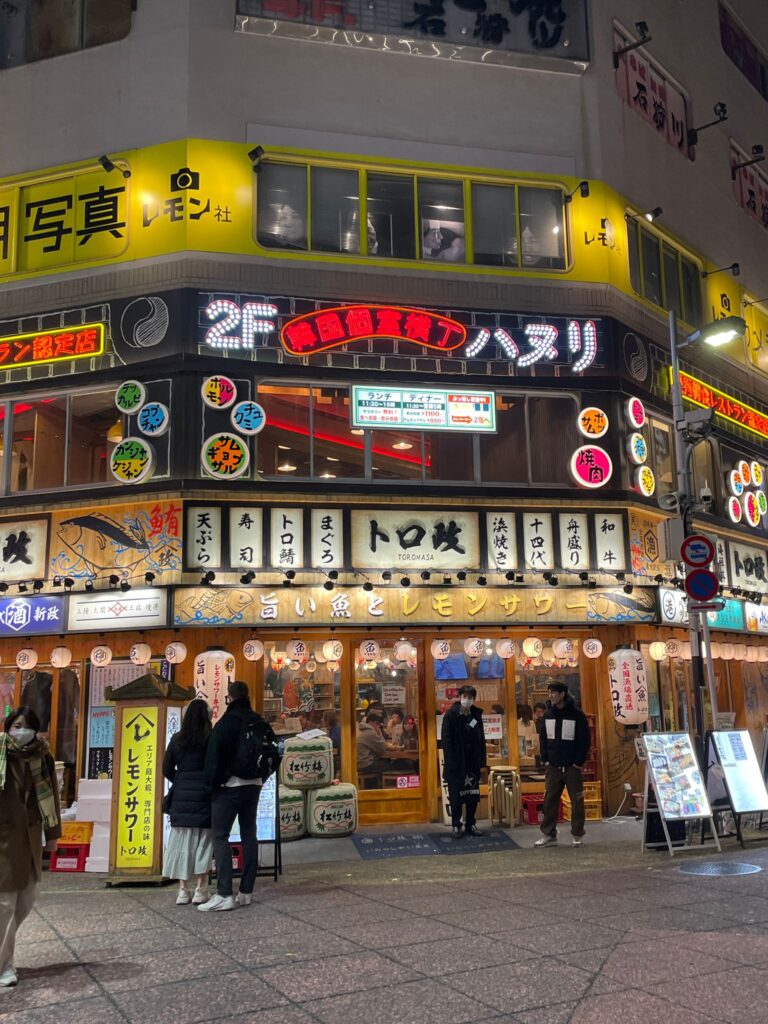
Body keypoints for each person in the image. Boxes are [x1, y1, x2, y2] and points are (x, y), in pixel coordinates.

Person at [201, 682, 279, 911]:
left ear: (230, 698)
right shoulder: (259, 720)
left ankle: (224, 892)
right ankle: (246, 891)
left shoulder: (226, 723)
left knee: (221, 835)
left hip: (230, 787)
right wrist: (261, 778)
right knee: (249, 833)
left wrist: (214, 784)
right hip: (254, 785)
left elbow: (214, 757)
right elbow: (274, 752)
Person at [0, 708, 61, 987]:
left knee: (27, 899)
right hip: (4, 838)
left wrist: (53, 834)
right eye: (16, 725)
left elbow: (53, 795)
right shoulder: (1, 753)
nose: (20, 730)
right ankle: (4, 966)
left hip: (31, 836)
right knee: (5, 903)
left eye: (26, 726)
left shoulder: (41, 755)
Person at [162, 699, 213, 906]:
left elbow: (166, 768)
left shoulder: (177, 739)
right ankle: (201, 889)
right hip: (205, 796)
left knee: (181, 843)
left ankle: (183, 890)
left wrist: (181, 780)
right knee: (203, 843)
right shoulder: (210, 739)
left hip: (181, 798)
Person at [535, 682, 591, 848]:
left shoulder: (577, 714)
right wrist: (545, 758)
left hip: (572, 767)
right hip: (553, 766)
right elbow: (543, 738)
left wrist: (578, 762)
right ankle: (548, 835)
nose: (551, 696)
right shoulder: (548, 715)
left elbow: (584, 740)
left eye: (554, 693)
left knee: (577, 801)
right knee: (549, 801)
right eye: (550, 692)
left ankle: (578, 834)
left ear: (563, 694)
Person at [441, 684, 487, 839]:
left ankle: (471, 823)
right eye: (464, 697)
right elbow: (446, 741)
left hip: (471, 762)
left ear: (474, 699)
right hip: (456, 763)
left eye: (470, 697)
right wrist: (451, 762)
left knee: (472, 795)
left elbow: (481, 739)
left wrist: (481, 761)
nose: (467, 700)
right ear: (460, 697)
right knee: (456, 796)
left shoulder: (476, 716)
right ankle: (456, 824)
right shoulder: (451, 715)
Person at [356, 710, 390, 776]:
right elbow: (382, 749)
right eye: (377, 723)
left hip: (358, 763)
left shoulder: (362, 730)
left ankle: (377, 783)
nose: (378, 726)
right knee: (391, 765)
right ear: (370, 722)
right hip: (365, 764)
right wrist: (380, 733)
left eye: (379, 724)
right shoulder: (371, 733)